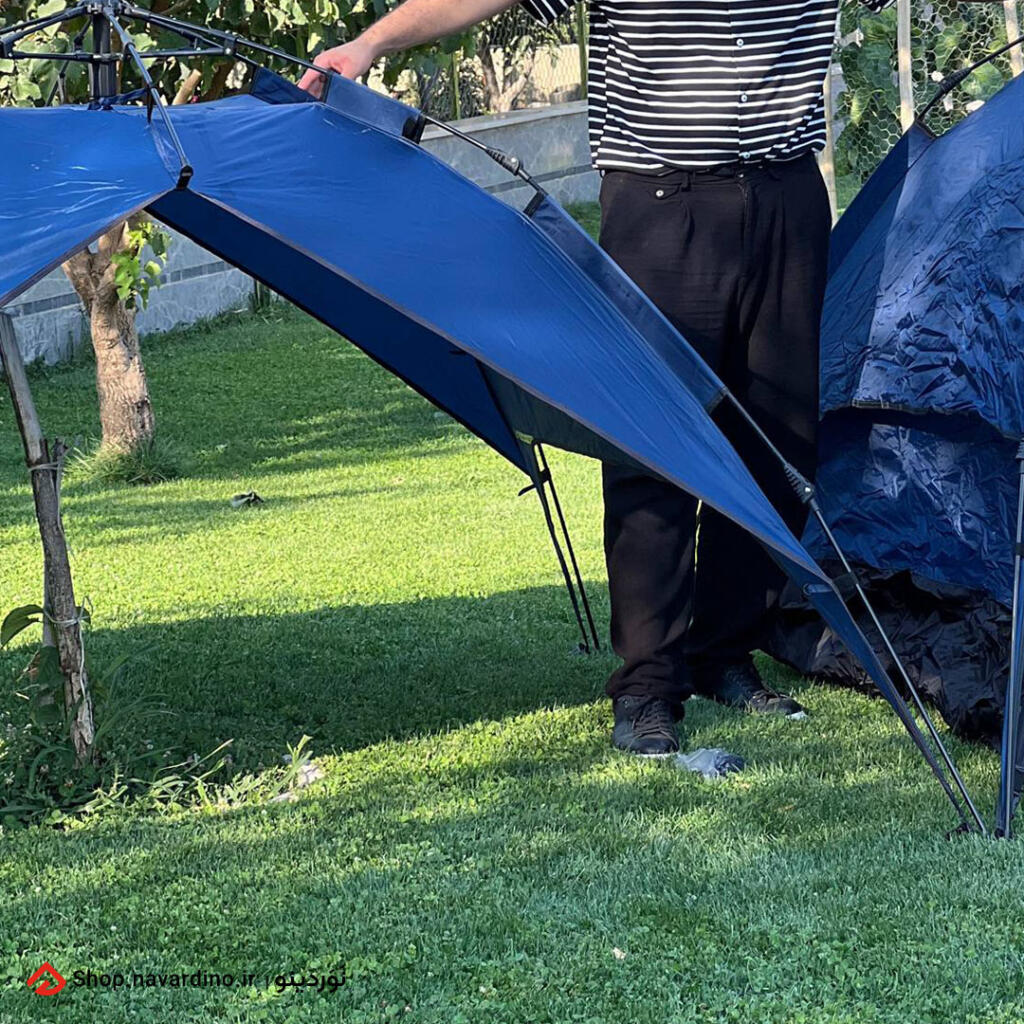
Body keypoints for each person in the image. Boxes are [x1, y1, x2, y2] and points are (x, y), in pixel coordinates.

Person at [300, 0, 888, 762]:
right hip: (661, 201)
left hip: (787, 195)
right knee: (653, 446)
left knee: (778, 444)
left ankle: (723, 651)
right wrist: (371, 42)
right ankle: (648, 686)